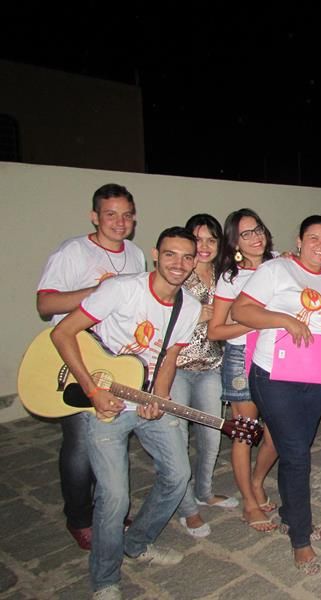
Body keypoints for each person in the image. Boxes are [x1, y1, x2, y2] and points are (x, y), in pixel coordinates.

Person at [50, 227, 202, 599]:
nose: (178, 263)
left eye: (187, 256)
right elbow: (62, 333)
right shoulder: (121, 290)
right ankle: (105, 580)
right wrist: (92, 390)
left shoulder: (189, 307)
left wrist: (159, 398)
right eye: (170, 254)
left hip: (145, 397)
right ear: (155, 254)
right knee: (115, 497)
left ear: (195, 261)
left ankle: (137, 542)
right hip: (103, 404)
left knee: (178, 476)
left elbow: (169, 357)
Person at [232, 215, 321, 575]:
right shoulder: (276, 269)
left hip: (314, 375)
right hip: (274, 375)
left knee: (296, 449)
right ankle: (300, 538)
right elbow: (240, 310)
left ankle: (290, 515)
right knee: (297, 454)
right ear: (299, 240)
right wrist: (285, 319)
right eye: (314, 238)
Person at [36, 183, 146, 551]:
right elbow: (45, 305)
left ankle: (107, 509)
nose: (119, 222)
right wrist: (101, 293)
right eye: (110, 214)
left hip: (115, 362)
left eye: (126, 215)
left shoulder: (136, 255)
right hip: (76, 358)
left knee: (109, 439)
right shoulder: (72, 251)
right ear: (94, 217)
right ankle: (79, 517)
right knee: (81, 442)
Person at [208, 209, 279, 532]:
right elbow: (215, 330)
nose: (255, 237)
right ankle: (249, 502)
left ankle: (256, 480)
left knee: (277, 434)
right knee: (246, 433)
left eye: (258, 229)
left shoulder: (280, 264)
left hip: (277, 355)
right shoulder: (230, 278)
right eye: (246, 234)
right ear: (235, 242)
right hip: (241, 357)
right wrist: (253, 322)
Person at [171, 214, 238, 538]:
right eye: (198, 239)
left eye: (212, 239)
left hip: (211, 366)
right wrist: (194, 316)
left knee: (211, 437)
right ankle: (187, 509)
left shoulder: (224, 275)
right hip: (176, 369)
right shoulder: (177, 274)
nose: (205, 246)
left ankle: (204, 491)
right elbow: (157, 317)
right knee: (177, 441)